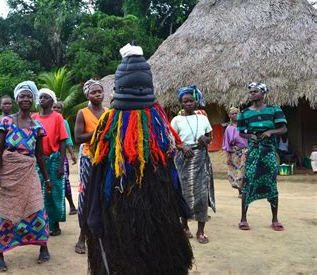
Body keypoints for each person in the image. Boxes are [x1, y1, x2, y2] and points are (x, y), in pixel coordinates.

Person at [84, 44, 193, 274]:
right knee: (159, 252)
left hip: (119, 198)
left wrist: (93, 215)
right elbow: (169, 163)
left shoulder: (109, 122)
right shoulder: (158, 119)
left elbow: (99, 168)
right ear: (148, 85)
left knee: (124, 256)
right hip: (158, 201)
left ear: (118, 87)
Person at [0, 81, 53, 271]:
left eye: (29, 96)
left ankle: (43, 246)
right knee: (4, 214)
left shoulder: (37, 126)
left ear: (33, 100)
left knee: (37, 210)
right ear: (17, 99)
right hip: (8, 173)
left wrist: (47, 178)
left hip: (29, 172)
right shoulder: (5, 122)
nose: (25, 99)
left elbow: (40, 155)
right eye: (22, 96)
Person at [237, 82, 287, 231]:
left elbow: (283, 128)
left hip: (269, 150)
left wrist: (270, 132)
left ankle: (275, 219)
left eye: (255, 91)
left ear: (263, 93)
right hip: (253, 150)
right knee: (248, 180)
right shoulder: (244, 113)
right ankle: (243, 218)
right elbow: (241, 132)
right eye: (250, 92)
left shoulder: (274, 110)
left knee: (271, 181)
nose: (252, 94)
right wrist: (250, 135)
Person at [171, 85, 216, 244]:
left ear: (196, 102)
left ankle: (201, 231)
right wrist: (183, 146)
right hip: (183, 158)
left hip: (201, 158)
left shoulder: (203, 118)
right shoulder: (176, 120)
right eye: (185, 101)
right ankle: (184, 228)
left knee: (202, 194)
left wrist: (206, 139)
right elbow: (171, 141)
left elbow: (210, 137)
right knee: (184, 193)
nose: (188, 103)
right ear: (181, 103)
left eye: (191, 101)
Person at [74, 79, 106, 254]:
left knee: (103, 195)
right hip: (89, 158)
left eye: (99, 91)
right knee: (86, 196)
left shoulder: (108, 112)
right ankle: (82, 236)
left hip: (105, 158)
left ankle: (101, 234)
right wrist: (98, 132)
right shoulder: (83, 113)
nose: (97, 95)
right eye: (93, 92)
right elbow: (78, 138)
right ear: (87, 95)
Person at [32, 89, 68, 236]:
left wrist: (61, 164)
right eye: (41, 97)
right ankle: (41, 224)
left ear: (52, 101)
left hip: (53, 159)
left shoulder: (57, 117)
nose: (42, 99)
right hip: (37, 160)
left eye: (46, 97)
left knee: (53, 191)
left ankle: (55, 223)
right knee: (38, 192)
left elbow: (63, 141)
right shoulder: (34, 117)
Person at [52, 101, 78, 215]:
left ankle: (72, 206)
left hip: (60, 156)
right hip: (48, 156)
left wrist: (72, 154)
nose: (57, 109)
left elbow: (67, 140)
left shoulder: (64, 122)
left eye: (59, 108)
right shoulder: (44, 120)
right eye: (55, 107)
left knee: (65, 181)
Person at [222, 107, 248, 197]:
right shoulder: (229, 129)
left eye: (236, 113)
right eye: (232, 114)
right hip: (234, 153)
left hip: (245, 151)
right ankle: (240, 191)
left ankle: (245, 190)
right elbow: (227, 143)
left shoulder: (245, 126)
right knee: (236, 172)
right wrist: (229, 155)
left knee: (243, 170)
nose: (234, 115)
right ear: (229, 116)